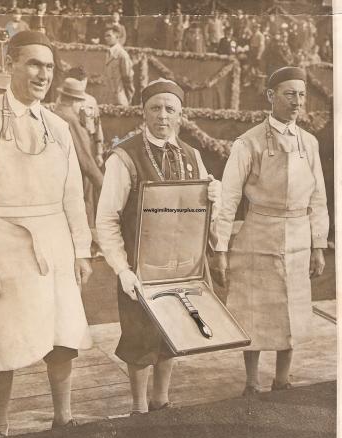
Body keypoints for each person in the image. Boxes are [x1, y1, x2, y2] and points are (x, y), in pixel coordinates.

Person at [0, 31, 93, 438]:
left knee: (64, 334)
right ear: (10, 63)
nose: (42, 74)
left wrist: (82, 251)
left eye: (49, 67)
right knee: (4, 340)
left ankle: (63, 418)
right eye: (34, 63)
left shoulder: (58, 126)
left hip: (55, 240)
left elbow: (72, 195)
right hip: (5, 242)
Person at [96, 79, 222, 415]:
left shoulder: (193, 156)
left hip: (179, 265)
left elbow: (203, 221)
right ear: (143, 112)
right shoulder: (125, 157)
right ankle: (138, 410)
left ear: (181, 114)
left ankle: (161, 401)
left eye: (170, 109)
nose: (162, 115)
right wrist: (122, 269)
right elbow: (107, 219)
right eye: (155, 107)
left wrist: (213, 200)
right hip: (139, 266)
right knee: (139, 339)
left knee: (171, 335)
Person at [212, 67, 329, 396]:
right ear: (271, 96)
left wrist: (318, 244)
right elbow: (229, 198)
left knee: (290, 308)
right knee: (254, 309)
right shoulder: (247, 143)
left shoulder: (309, 142)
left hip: (298, 237)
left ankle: (283, 378)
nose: (297, 102)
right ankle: (251, 382)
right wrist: (220, 249)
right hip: (258, 235)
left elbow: (318, 196)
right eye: (290, 94)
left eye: (302, 94)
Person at [56, 68, 105, 251]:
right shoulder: (68, 118)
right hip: (77, 166)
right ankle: (87, 244)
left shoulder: (58, 111)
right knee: (83, 202)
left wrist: (98, 151)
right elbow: (84, 156)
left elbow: (97, 129)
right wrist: (101, 181)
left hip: (70, 165)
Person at [103, 25, 135, 106]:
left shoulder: (122, 54)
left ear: (117, 37)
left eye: (109, 36)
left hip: (120, 98)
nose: (106, 38)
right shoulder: (109, 53)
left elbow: (128, 78)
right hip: (109, 98)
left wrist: (127, 97)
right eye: (105, 36)